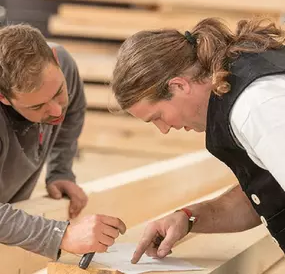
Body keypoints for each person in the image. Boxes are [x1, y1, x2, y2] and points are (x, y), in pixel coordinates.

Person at [110, 17, 285, 263]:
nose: (164, 130)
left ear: (179, 86)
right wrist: (188, 218)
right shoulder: (239, 86)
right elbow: (266, 193)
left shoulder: (255, 106)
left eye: (158, 116)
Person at [0, 24, 126, 260]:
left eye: (58, 92)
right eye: (37, 106)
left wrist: (60, 170)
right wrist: (61, 236)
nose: (57, 110)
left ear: (55, 59)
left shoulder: (63, 64)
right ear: (3, 97)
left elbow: (73, 112)